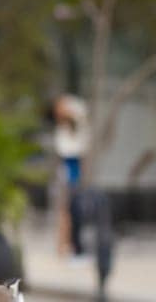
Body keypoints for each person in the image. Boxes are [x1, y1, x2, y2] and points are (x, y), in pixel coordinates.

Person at [53, 94, 90, 259]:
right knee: (65, 213)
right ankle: (63, 247)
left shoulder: (77, 132)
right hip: (66, 178)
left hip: (73, 177)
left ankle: (68, 247)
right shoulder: (63, 134)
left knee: (71, 214)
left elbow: (81, 114)